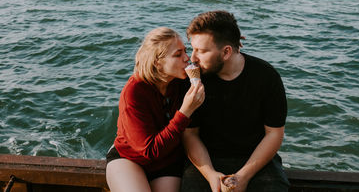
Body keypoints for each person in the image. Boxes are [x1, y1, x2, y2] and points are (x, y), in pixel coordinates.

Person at [181, 11, 290, 192]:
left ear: (226, 52)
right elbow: (190, 135)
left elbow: (274, 134)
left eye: (201, 51)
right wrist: (210, 175)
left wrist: (243, 176)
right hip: (206, 158)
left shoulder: (266, 77)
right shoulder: (195, 80)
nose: (193, 58)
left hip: (256, 158)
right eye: (192, 49)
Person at [106, 27, 205, 192]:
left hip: (168, 160)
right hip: (130, 158)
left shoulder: (182, 82)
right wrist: (185, 112)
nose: (187, 58)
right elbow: (149, 150)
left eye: (185, 51)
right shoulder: (135, 91)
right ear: (157, 62)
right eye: (178, 54)